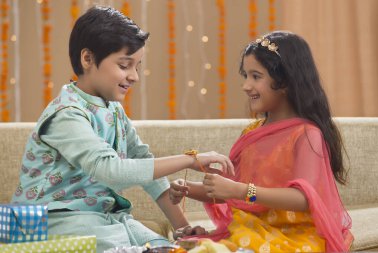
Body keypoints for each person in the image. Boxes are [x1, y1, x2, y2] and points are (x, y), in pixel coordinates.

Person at [11, 6, 233, 252]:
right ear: (87, 59)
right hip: (54, 222)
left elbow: (146, 166)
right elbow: (111, 171)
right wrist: (189, 160)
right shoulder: (66, 114)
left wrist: (183, 228)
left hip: (104, 218)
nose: (135, 76)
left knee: (168, 247)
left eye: (137, 66)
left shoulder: (113, 110)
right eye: (125, 65)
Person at [169, 31, 353, 252]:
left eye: (256, 76)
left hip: (294, 235)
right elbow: (231, 192)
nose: (246, 86)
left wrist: (240, 190)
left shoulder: (306, 134)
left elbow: (303, 198)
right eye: (245, 76)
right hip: (252, 228)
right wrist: (188, 188)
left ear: (285, 82)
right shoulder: (252, 131)